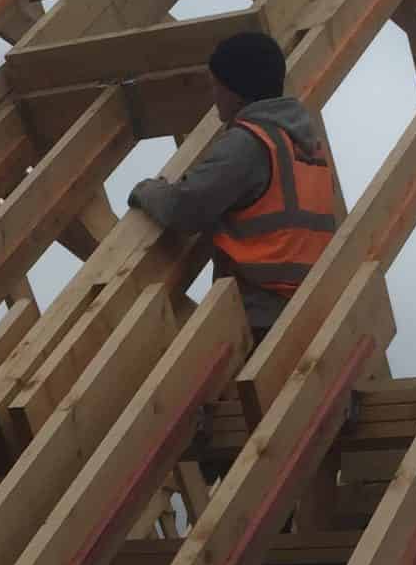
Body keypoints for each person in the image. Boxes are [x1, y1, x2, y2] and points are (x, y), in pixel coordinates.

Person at [126, 29, 337, 339]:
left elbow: (185, 209)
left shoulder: (249, 143)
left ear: (236, 91)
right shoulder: (305, 147)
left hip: (260, 318)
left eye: (216, 86)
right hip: (307, 311)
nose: (214, 96)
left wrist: (147, 190)